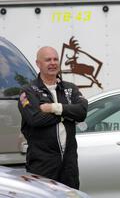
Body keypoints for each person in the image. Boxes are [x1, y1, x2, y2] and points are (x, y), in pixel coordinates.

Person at [18, 46, 88, 189]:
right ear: (38, 64)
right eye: (48, 60)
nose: (53, 63)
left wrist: (53, 108)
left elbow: (81, 112)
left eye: (55, 59)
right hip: (42, 165)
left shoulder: (70, 88)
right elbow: (35, 119)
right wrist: (66, 114)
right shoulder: (28, 91)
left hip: (69, 166)